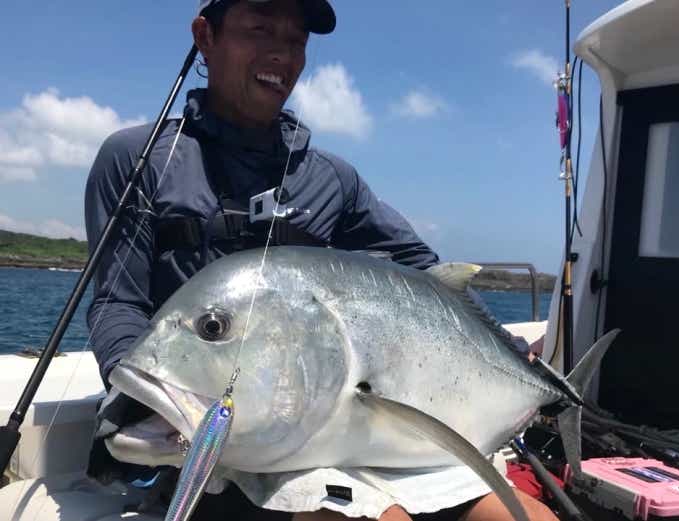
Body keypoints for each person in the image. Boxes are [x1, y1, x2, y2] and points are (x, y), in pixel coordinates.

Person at [85, 1, 558, 520]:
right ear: (205, 36)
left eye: (296, 40)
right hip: (221, 436)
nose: (281, 54)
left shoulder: (330, 179)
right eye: (260, 28)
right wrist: (148, 402)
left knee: (525, 516)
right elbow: (115, 302)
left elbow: (424, 273)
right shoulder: (139, 162)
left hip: (325, 422)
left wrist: (508, 350)